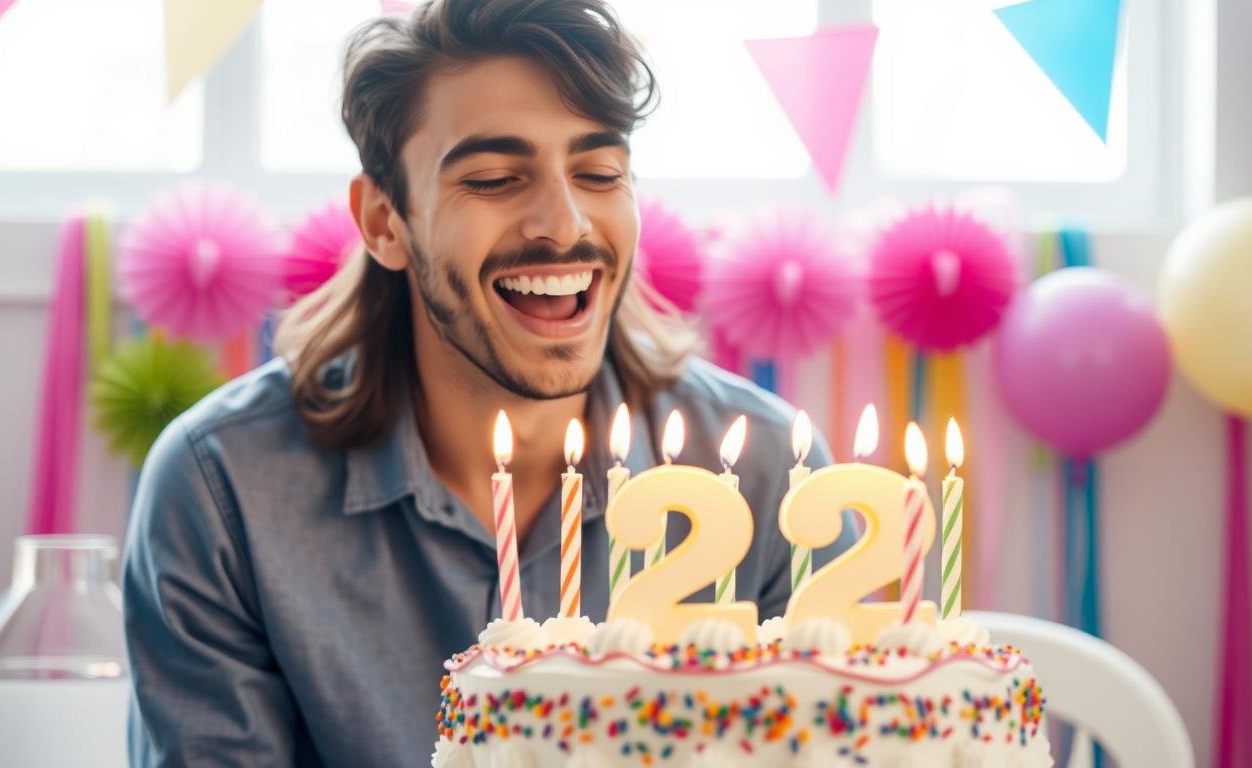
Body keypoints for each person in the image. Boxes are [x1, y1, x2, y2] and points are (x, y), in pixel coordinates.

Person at [122, 0, 844, 765]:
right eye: (496, 178)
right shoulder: (221, 490)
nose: (564, 224)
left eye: (600, 172)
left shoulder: (769, 477)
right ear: (383, 222)